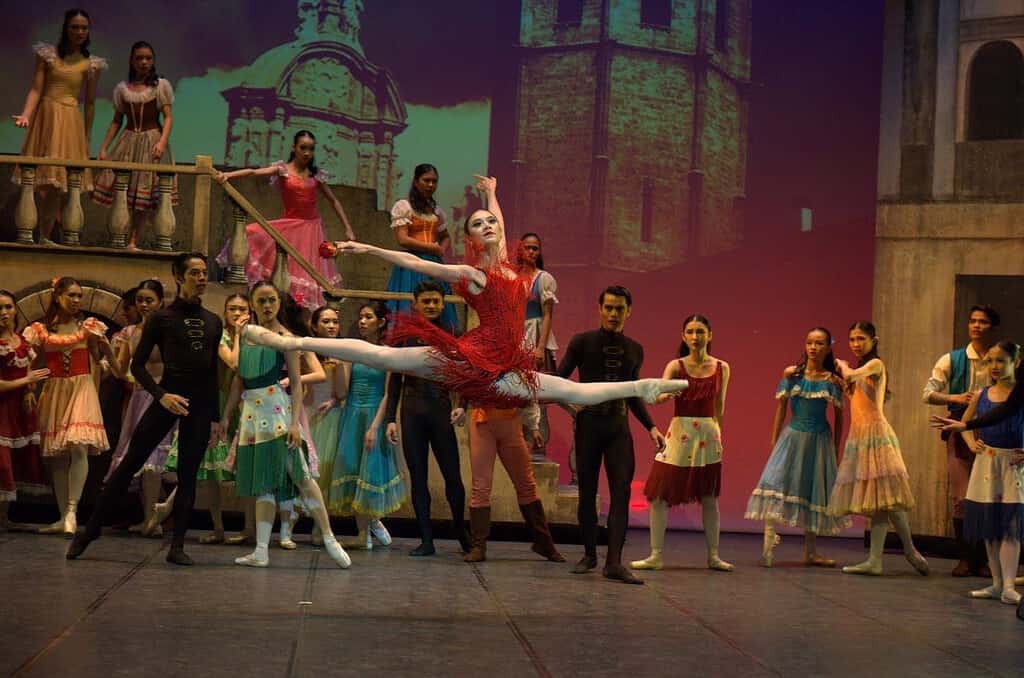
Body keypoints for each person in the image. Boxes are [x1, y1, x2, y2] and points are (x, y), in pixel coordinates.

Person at [244, 176, 687, 551]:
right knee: (385, 355)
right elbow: (415, 261)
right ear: (471, 239)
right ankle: (293, 339)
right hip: (471, 360)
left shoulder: (514, 271)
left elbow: (499, 221)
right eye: (478, 224)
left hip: (506, 372)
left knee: (568, 391)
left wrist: (491, 194)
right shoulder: (470, 275)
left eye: (491, 222)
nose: (488, 226)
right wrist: (366, 248)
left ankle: (641, 387)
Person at [68, 252, 223, 565]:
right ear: (179, 276)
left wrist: (216, 417)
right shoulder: (161, 319)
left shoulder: (213, 321)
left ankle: (177, 546)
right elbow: (137, 367)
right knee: (129, 464)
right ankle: (90, 530)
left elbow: (211, 373)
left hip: (199, 405)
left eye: (205, 273)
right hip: (167, 398)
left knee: (188, 475)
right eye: (194, 273)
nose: (202, 278)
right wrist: (161, 395)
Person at [221, 281, 350, 569]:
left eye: (271, 301)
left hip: (277, 410)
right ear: (252, 304)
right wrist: (227, 415)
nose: (267, 306)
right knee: (264, 483)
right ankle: (261, 549)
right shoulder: (246, 334)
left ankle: (329, 537)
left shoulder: (286, 338)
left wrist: (294, 423)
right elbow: (238, 377)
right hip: (251, 414)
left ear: (278, 304)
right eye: (261, 301)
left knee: (301, 475)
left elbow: (295, 381)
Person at [559, 287, 669, 585]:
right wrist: (570, 406)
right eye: (608, 307)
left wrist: (651, 427)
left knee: (621, 493)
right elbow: (558, 380)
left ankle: (614, 563)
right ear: (600, 308)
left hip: (618, 428)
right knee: (587, 493)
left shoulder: (635, 349)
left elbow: (634, 394)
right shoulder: (582, 342)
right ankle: (590, 555)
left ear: (628, 311)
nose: (613, 313)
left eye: (619, 308)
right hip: (589, 428)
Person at [631, 314, 733, 574]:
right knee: (659, 494)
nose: (696, 337)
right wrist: (669, 393)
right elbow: (657, 397)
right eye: (690, 332)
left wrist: (718, 433)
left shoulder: (722, 367)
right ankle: (656, 555)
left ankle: (713, 556)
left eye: (700, 332)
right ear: (683, 336)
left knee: (709, 496)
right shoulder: (676, 366)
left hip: (708, 434)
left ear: (709, 335)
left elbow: (719, 405)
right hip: (681, 432)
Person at [743, 327, 850, 567]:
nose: (813, 347)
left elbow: (840, 417)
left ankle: (810, 552)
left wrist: (835, 447)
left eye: (819, 343)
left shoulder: (832, 380)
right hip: (792, 436)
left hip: (819, 439)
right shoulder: (792, 374)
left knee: (812, 489)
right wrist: (774, 439)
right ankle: (769, 544)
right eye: (809, 342)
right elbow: (781, 407)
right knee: (775, 482)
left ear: (828, 347)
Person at [830, 321, 929, 576]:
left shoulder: (875, 364)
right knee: (882, 502)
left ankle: (897, 553)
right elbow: (854, 391)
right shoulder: (861, 370)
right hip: (862, 436)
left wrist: (841, 366)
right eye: (851, 339)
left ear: (874, 340)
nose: (855, 344)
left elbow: (851, 375)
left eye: (861, 338)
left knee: (885, 499)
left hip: (876, 435)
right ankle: (887, 556)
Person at [215, 130, 355, 309]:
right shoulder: (283, 170)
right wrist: (228, 176)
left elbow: (334, 201)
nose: (307, 153)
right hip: (291, 225)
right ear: (294, 148)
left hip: (312, 229)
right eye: (303, 148)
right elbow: (254, 173)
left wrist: (348, 227)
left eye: (310, 149)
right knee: (251, 233)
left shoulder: (315, 175)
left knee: (308, 273)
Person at [153, 294, 252, 544]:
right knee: (206, 465)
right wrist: (240, 335)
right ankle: (215, 526)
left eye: (242, 308)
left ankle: (246, 528)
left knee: (231, 470)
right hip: (215, 401)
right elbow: (233, 362)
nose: (237, 313)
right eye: (232, 308)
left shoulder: (254, 335)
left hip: (242, 403)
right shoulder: (221, 335)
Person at [383, 279, 469, 556]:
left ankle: (463, 535)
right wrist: (390, 418)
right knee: (418, 478)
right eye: (426, 301)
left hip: (441, 411)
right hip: (411, 413)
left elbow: (466, 374)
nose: (431, 305)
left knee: (453, 478)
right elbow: (394, 378)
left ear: (443, 304)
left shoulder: (453, 333)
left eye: (435, 301)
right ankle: (427, 540)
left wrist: (462, 404)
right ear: (416, 304)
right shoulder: (404, 335)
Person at [24, 277, 115, 536]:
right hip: (55, 390)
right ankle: (62, 516)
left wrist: (105, 353)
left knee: (78, 446)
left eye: (79, 296)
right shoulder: (41, 330)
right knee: (57, 458)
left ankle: (73, 511)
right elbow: (29, 361)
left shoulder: (88, 326)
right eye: (71, 295)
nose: (76, 301)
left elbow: (99, 361)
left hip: (81, 387)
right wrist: (28, 388)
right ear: (57, 296)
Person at [12, 8, 107, 244]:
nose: (79, 32)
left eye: (84, 28)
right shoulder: (48, 55)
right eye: (75, 27)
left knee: (61, 183)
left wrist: (86, 136)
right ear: (66, 28)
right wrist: (26, 114)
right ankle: (28, 234)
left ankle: (45, 235)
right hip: (47, 115)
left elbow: (91, 103)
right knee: (39, 178)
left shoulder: (90, 64)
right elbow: (36, 88)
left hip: (70, 120)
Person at [923, 305, 999, 577]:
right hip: (959, 430)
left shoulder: (999, 358)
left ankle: (984, 560)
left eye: (983, 322)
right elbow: (928, 393)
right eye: (973, 321)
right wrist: (954, 398)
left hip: (994, 430)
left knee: (989, 495)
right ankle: (966, 557)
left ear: (993, 327)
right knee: (962, 497)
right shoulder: (952, 359)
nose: (976, 325)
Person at [327, 302, 405, 550]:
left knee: (369, 471)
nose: (362, 321)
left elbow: (388, 394)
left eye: (368, 317)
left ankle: (366, 530)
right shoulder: (354, 350)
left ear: (381, 322)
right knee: (351, 469)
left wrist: (374, 427)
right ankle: (368, 526)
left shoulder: (388, 353)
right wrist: (339, 363)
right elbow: (343, 390)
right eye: (360, 316)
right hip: (352, 415)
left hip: (373, 415)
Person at [104, 279, 173, 535]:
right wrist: (106, 349)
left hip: (161, 396)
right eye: (140, 301)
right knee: (142, 461)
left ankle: (155, 519)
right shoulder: (130, 332)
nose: (144, 305)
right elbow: (121, 371)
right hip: (138, 397)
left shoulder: (167, 329)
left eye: (149, 300)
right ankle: (148, 518)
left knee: (156, 462)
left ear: (160, 302)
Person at [93, 41, 176, 250]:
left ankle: (133, 240)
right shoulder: (123, 89)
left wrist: (161, 142)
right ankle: (119, 237)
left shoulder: (160, 86)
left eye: (148, 58)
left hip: (151, 141)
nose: (144, 62)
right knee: (123, 191)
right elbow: (116, 120)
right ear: (132, 60)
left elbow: (168, 118)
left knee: (145, 194)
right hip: (128, 141)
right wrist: (103, 147)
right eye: (139, 58)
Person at [958, 341, 1024, 606]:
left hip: (1013, 463)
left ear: (1016, 362)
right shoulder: (981, 394)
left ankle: (1009, 585)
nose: (995, 367)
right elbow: (965, 423)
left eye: (1001, 361)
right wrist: (972, 443)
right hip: (987, 462)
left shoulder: (1020, 394)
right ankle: (997, 583)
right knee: (990, 523)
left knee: (1010, 525)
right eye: (991, 361)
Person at [385, 163, 459, 331]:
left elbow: (446, 236)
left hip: (434, 264)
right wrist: (431, 248)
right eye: (426, 180)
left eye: (434, 181)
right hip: (411, 264)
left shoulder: (437, 211)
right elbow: (402, 239)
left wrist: (441, 249)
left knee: (438, 308)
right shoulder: (404, 207)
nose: (431, 185)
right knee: (409, 307)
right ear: (416, 181)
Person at [0, 290, 50, 528]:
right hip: (2, 407)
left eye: (8, 307)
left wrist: (29, 389)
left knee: (13, 460)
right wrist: (24, 381)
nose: (4, 313)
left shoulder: (22, 341)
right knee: (2, 461)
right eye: (0, 308)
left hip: (18, 407)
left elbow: (27, 373)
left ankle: (3, 517)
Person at [517, 232, 558, 461]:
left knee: (537, 393)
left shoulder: (543, 279)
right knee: (518, 392)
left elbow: (548, 314)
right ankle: (519, 446)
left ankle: (537, 449)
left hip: (536, 335)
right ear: (520, 250)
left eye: (535, 248)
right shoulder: (512, 277)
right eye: (527, 248)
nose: (531, 252)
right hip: (516, 336)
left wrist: (540, 347)